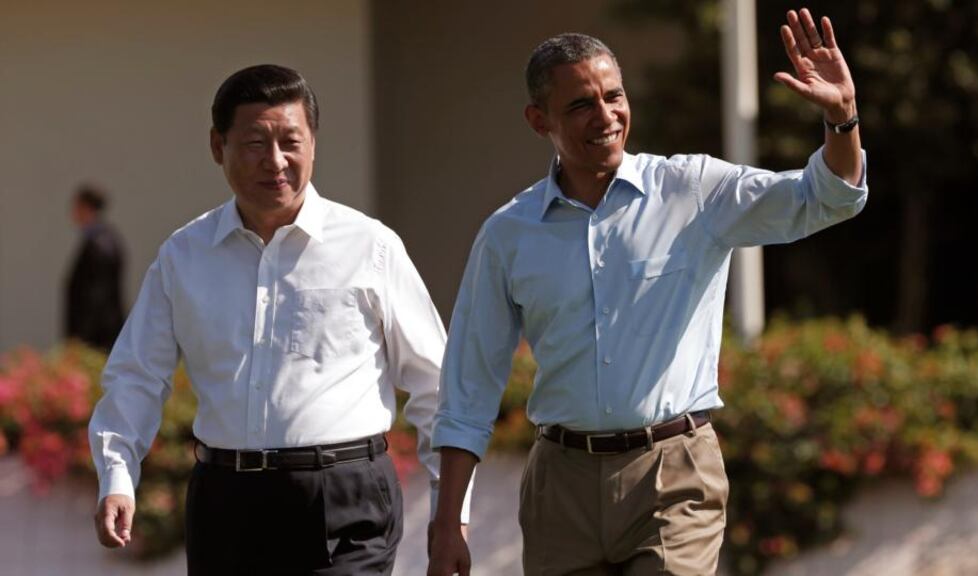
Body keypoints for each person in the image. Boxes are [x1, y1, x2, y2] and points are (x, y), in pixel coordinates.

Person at [428, 8, 866, 576]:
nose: (605, 116)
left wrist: (843, 120)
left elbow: (824, 198)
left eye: (614, 96)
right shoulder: (507, 234)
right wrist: (447, 523)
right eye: (581, 105)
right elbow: (468, 389)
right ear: (539, 120)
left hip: (674, 472)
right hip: (559, 486)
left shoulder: (693, 190)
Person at [88, 64, 468, 575]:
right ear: (216, 146)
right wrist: (117, 476)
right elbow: (137, 375)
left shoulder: (369, 246)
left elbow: (435, 385)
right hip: (226, 501)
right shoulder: (184, 255)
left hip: (344, 501)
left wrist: (452, 514)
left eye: (291, 141)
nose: (276, 161)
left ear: (313, 144)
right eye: (254, 143)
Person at [65, 184, 126, 350]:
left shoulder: (100, 244)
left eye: (76, 206)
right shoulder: (103, 239)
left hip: (98, 336)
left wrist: (82, 336)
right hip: (99, 332)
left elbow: (97, 295)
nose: (73, 212)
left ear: (86, 208)